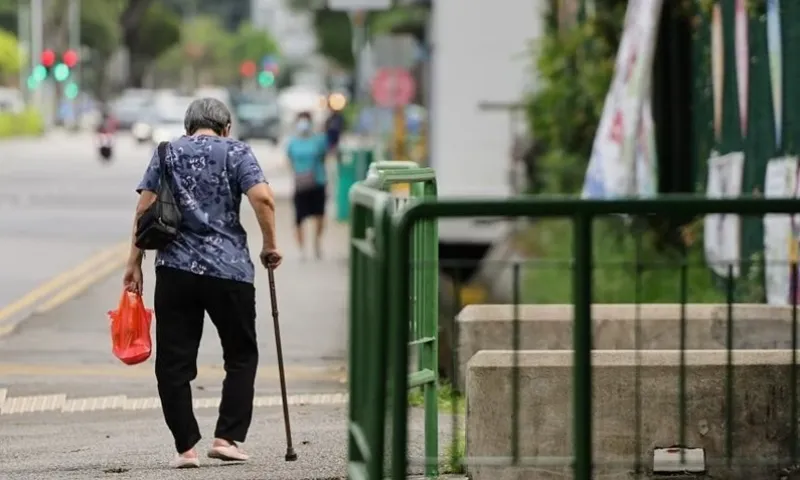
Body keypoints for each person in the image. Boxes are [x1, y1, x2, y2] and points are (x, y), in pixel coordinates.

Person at [122, 97, 282, 468]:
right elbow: (264, 198)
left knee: (174, 362)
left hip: (175, 271)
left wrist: (134, 263)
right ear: (226, 127)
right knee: (241, 355)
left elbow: (143, 210)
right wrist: (270, 245)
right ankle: (226, 438)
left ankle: (186, 448)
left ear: (188, 127)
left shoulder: (167, 152)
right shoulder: (236, 151)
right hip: (230, 272)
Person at [286, 111, 329, 260]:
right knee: (299, 218)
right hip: (300, 185)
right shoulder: (292, 142)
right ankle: (302, 249)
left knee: (320, 216)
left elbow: (324, 156)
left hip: (318, 182)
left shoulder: (319, 140)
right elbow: (289, 160)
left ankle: (317, 244)